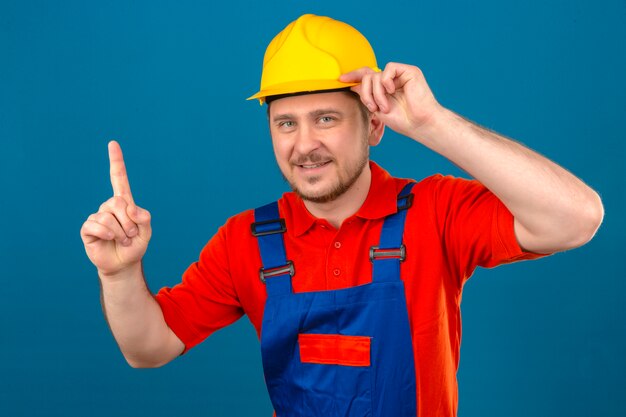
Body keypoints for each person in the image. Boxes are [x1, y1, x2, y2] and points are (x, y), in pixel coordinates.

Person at [80, 14, 603, 417]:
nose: (304, 145)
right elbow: (147, 348)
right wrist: (118, 272)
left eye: (326, 118)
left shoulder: (435, 211)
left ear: (375, 125)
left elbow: (576, 217)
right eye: (286, 123)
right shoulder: (245, 240)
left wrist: (434, 124)